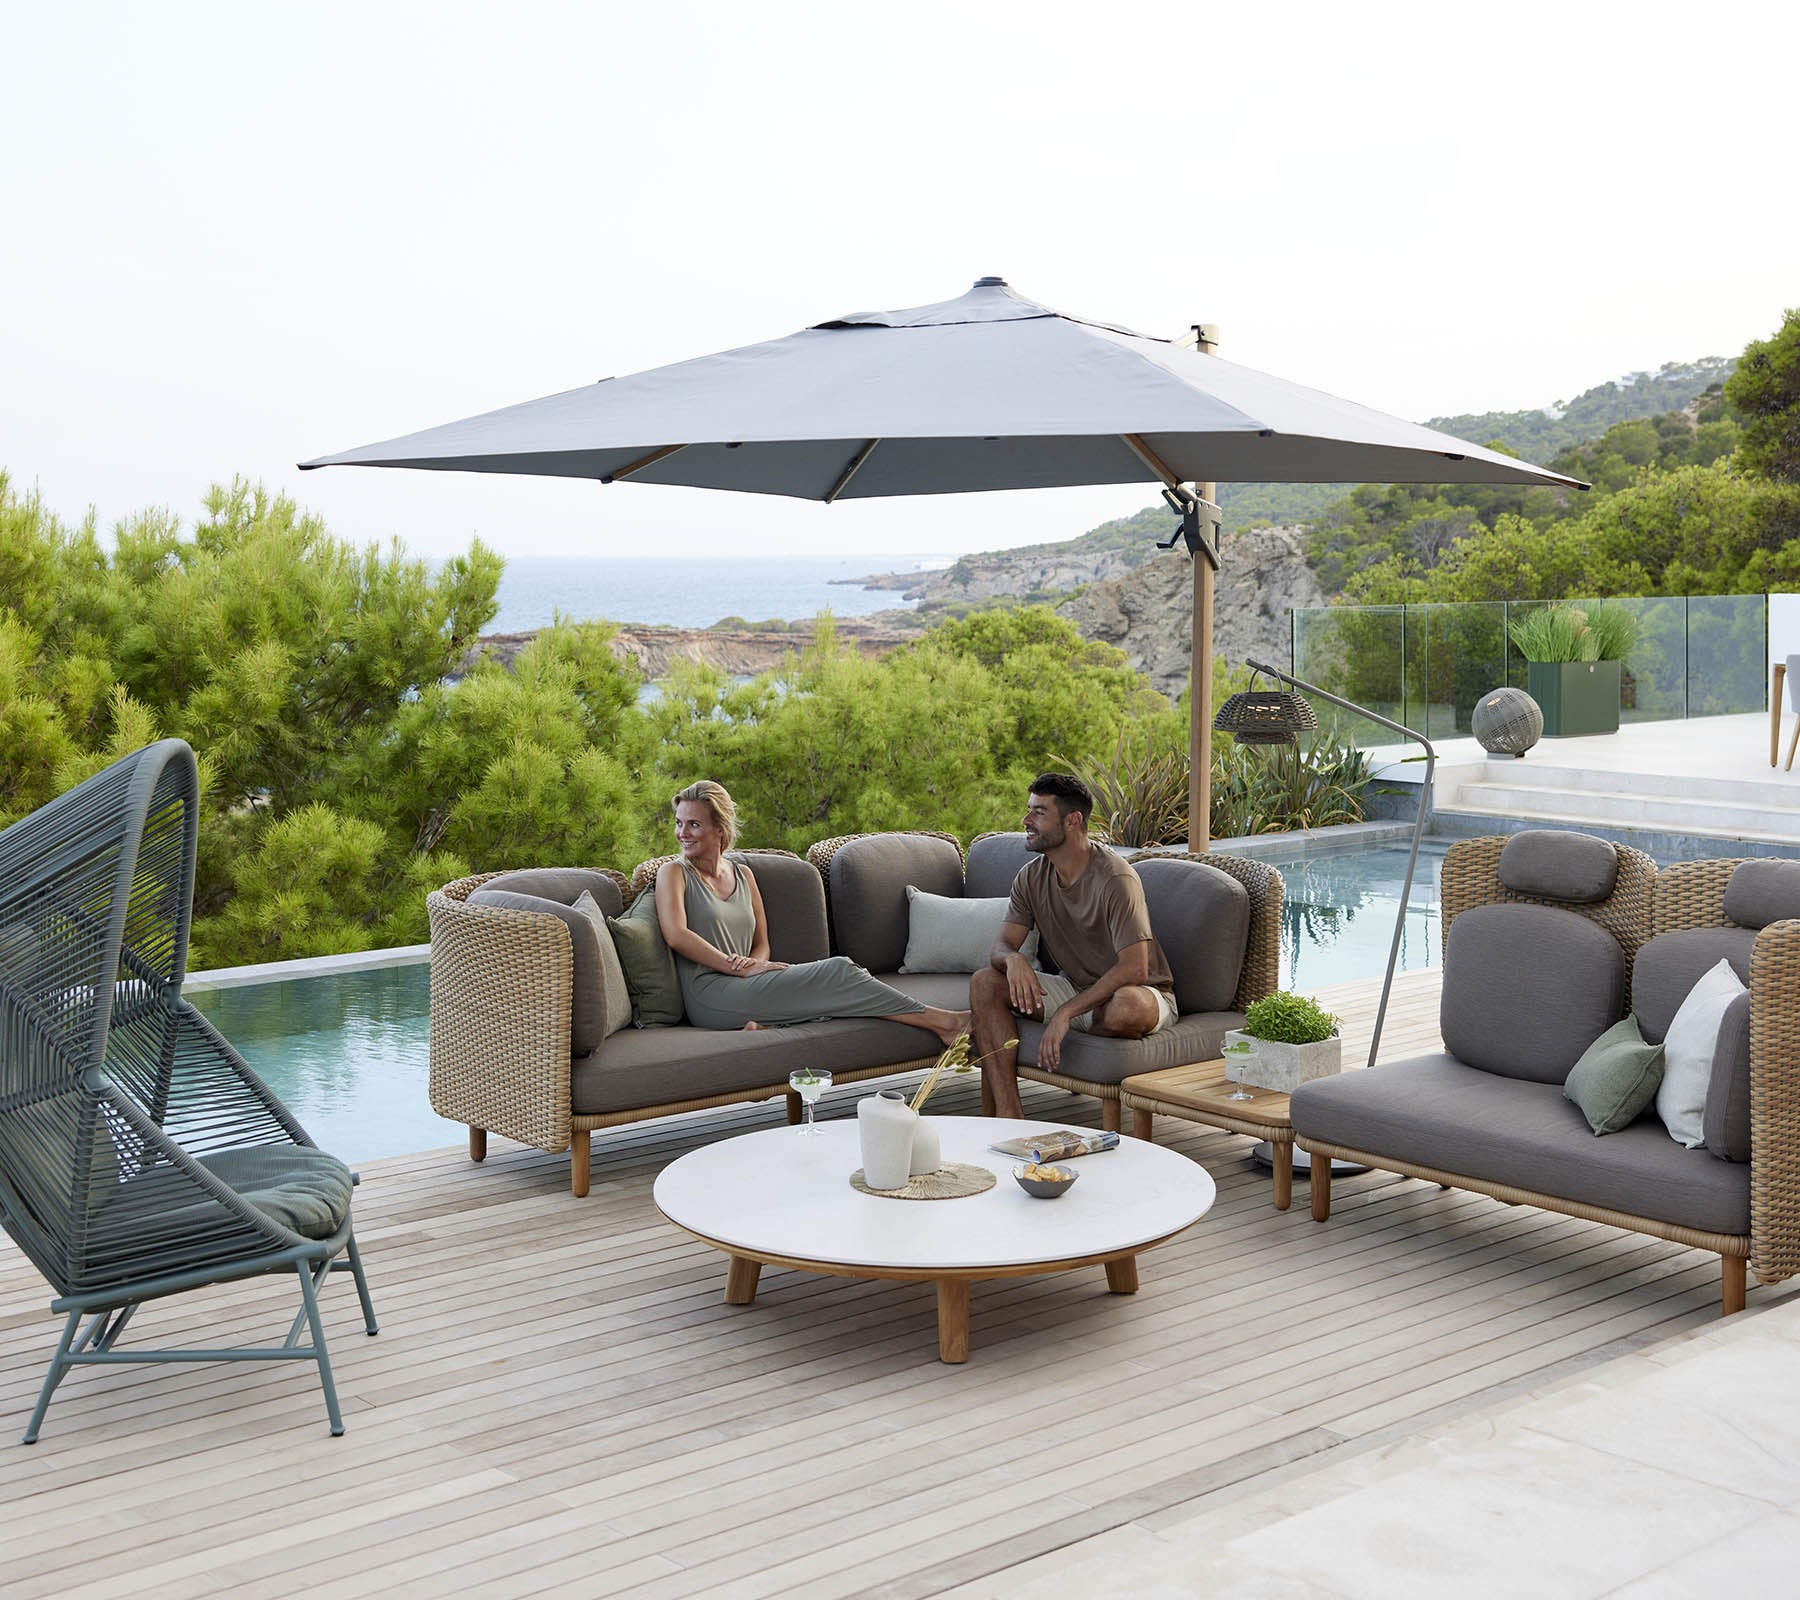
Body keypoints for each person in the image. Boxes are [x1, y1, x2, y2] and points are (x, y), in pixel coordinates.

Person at [655, 780, 971, 1044]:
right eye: (679, 823)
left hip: (749, 983)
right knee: (839, 970)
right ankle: (945, 1023)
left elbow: (761, 942)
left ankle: (766, 1025)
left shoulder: (743, 875)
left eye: (694, 824)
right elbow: (676, 935)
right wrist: (736, 968)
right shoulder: (673, 873)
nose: (682, 832)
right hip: (710, 994)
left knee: (843, 978)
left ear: (719, 828)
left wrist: (758, 966)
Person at [970, 772, 1178, 1119]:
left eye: (1038, 812)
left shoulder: (1116, 878)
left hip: (1140, 993)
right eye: (1028, 810)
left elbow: (1135, 969)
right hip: (1076, 988)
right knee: (985, 982)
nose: (1026, 821)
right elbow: (1002, 946)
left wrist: (1065, 1013)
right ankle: (1010, 1115)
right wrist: (1013, 961)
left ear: (1072, 820)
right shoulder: (1031, 876)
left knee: (1125, 1006)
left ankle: (1067, 1021)